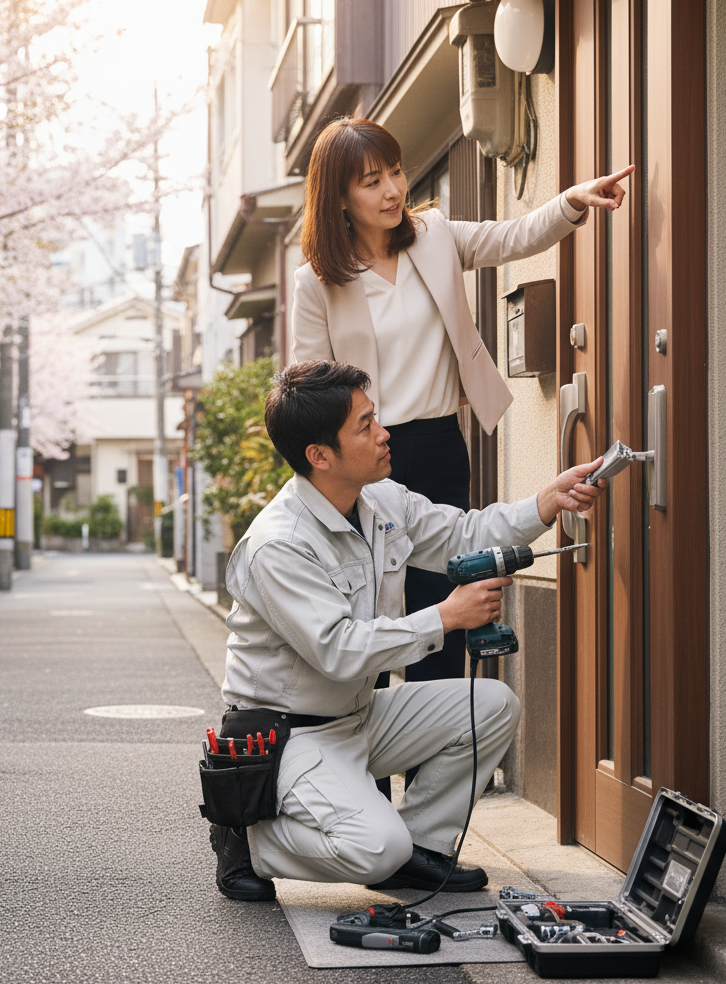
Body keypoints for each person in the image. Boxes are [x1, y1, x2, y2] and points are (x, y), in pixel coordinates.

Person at [290, 119, 631, 765]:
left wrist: (571, 202)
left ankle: (426, 828)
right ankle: (368, 805)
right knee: (371, 622)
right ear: (338, 196)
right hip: (365, 466)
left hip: (440, 447)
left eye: (395, 172)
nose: (393, 189)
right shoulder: (318, 281)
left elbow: (511, 236)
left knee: (443, 622)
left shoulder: (433, 236)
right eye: (372, 181)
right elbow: (309, 389)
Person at [209, 360, 606, 902]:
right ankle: (248, 835)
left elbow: (465, 532)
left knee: (492, 705)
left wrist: (547, 501)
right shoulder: (279, 545)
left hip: (358, 716)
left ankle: (417, 848)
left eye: (376, 418)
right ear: (319, 456)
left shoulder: (381, 502)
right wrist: (447, 615)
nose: (384, 433)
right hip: (291, 735)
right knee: (374, 848)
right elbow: (340, 651)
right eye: (365, 425)